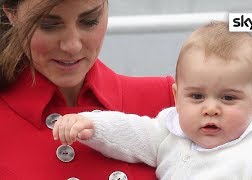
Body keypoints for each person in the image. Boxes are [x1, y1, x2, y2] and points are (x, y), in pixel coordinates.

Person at [53, 21, 252, 179]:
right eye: (197, 96)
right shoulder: (171, 134)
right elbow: (132, 132)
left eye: (228, 98)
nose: (210, 108)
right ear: (177, 97)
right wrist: (91, 125)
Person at [0, 0, 175, 179]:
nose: (72, 46)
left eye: (89, 21)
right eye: (49, 25)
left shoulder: (169, 104)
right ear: (11, 14)